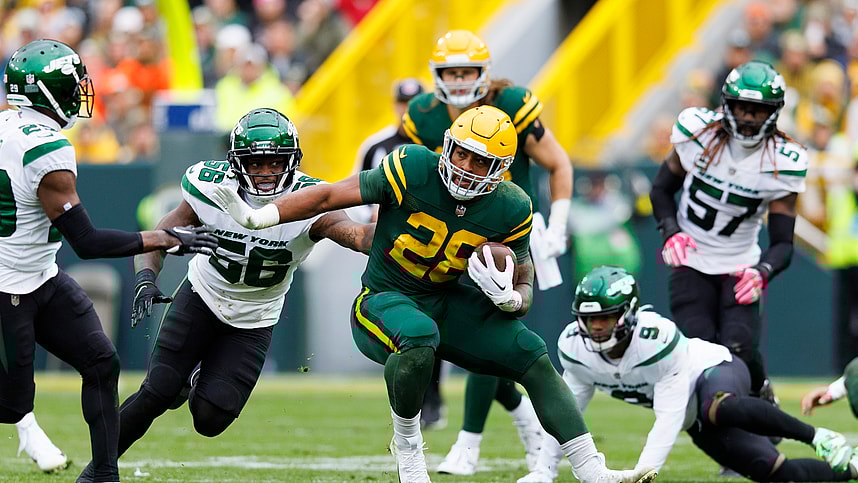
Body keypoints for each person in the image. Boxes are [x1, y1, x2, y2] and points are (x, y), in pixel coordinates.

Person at [211, 105, 657, 483]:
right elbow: (328, 195)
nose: (466, 167)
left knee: (530, 349)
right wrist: (261, 217)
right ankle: (408, 446)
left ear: (501, 169)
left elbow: (524, 285)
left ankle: (591, 469)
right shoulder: (412, 166)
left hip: (444, 301)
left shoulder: (512, 205)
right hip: (384, 298)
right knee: (419, 334)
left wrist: (509, 301)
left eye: (481, 161)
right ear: (448, 146)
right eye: (462, 153)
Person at [76, 107, 375, 481]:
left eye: (275, 162)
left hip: (256, 317)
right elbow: (164, 230)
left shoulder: (310, 201)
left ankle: (195, 376)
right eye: (257, 162)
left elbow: (360, 237)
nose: (266, 172)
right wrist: (146, 278)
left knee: (211, 419)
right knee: (157, 390)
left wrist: (405, 225)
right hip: (202, 295)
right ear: (235, 163)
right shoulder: (210, 187)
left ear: (293, 161)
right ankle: (97, 471)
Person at [0, 39, 218, 483]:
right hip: (8, 286)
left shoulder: (6, 124)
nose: (80, 90)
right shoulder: (47, 150)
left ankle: (104, 474)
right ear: (47, 91)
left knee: (102, 362)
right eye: (71, 83)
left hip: (40, 275)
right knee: (11, 405)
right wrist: (165, 237)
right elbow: (88, 241)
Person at [401, 29, 574, 473]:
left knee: (490, 326)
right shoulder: (422, 113)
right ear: (436, 75)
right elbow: (421, 177)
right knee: (471, 343)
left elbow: (559, 163)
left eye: (468, 71)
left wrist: (557, 224)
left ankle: (469, 443)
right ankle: (528, 424)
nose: (459, 80)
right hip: (452, 231)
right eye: (450, 72)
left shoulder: (512, 103)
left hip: (504, 234)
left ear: (485, 73)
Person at [518, 266, 858, 483]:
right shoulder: (574, 347)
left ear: (629, 313)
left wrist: (645, 471)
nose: (596, 327)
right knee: (774, 472)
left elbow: (668, 415)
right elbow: (564, 413)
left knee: (718, 406)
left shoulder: (656, 340)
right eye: (590, 319)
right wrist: (543, 472)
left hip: (713, 371)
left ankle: (820, 437)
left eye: (605, 317)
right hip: (693, 418)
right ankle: (853, 470)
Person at [649, 61, 806, 409]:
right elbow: (661, 191)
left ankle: (762, 396)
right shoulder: (697, 133)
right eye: (742, 107)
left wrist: (762, 272)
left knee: (739, 348)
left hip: (739, 265)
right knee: (701, 348)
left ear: (774, 112)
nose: (749, 117)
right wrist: (671, 232)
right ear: (726, 104)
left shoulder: (784, 161)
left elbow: (783, 244)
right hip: (692, 259)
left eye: (758, 109)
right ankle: (721, 427)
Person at [353, 78, 425, 223]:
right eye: (403, 102)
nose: (408, 108)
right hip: (382, 228)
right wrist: (369, 215)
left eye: (414, 103)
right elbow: (354, 188)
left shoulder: (438, 143)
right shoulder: (375, 145)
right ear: (395, 105)